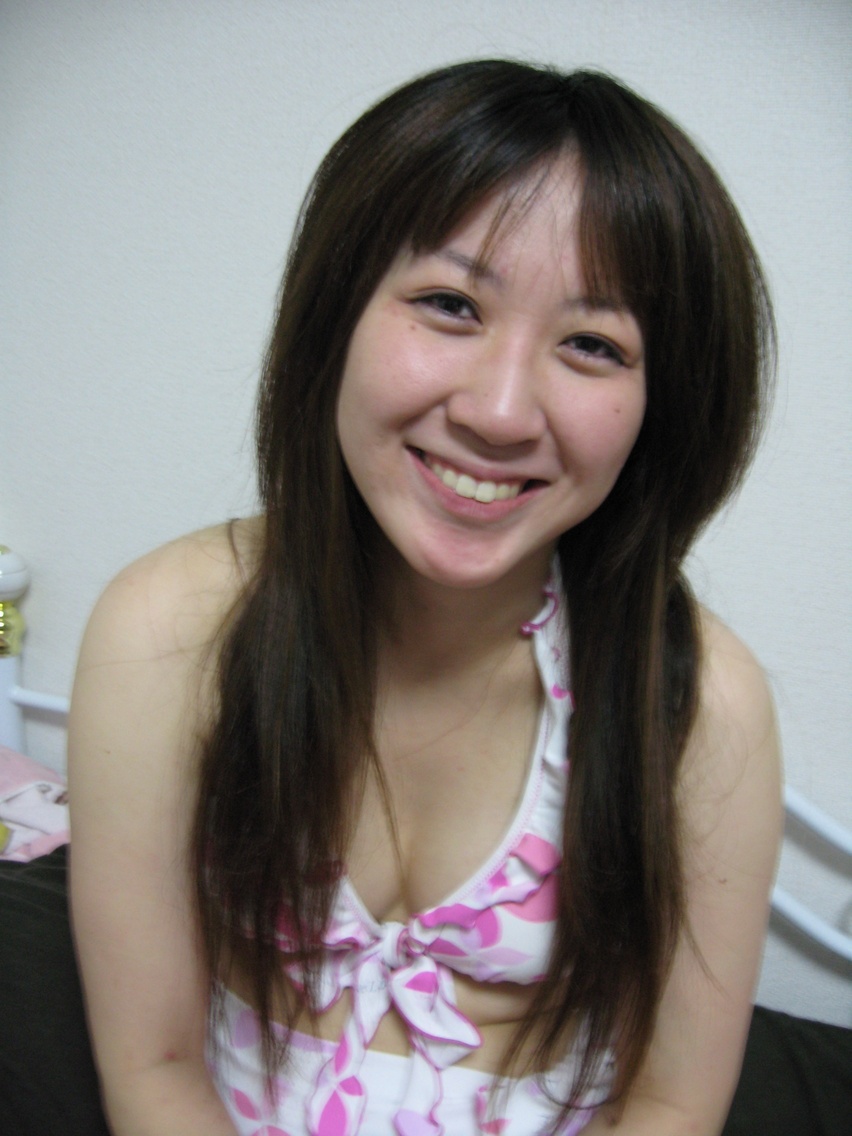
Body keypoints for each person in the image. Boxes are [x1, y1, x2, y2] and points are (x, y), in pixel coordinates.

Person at [67, 60, 782, 1135]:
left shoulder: (697, 702)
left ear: (660, 407)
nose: (501, 411)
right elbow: (153, 1065)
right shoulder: (169, 630)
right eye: (450, 304)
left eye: (592, 345)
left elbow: (673, 1102)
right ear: (336, 314)